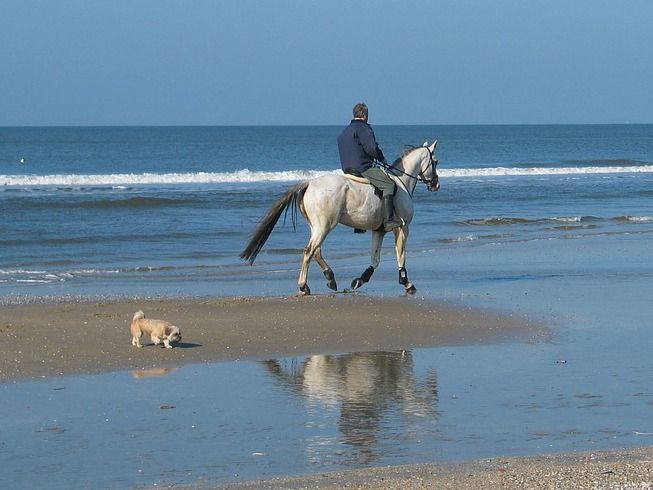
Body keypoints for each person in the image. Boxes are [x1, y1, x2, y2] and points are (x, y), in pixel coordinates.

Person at [337, 102, 403, 232]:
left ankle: (359, 225)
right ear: (364, 115)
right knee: (389, 185)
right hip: (363, 168)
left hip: (346, 169)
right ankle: (389, 220)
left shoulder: (344, 131)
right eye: (367, 115)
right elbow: (371, 148)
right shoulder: (363, 128)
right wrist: (382, 159)